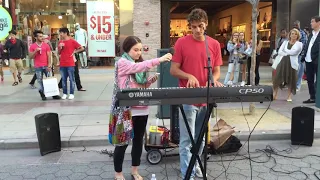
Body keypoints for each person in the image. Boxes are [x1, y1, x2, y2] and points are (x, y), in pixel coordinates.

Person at [170, 8, 223, 179]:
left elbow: (216, 71)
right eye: (193, 27)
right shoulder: (181, 43)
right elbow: (173, 70)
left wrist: (212, 80)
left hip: (205, 97)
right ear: (189, 27)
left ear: (206, 24)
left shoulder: (213, 44)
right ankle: (188, 174)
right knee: (187, 140)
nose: (197, 30)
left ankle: (196, 164)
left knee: (200, 138)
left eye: (200, 26)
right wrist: (188, 76)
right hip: (187, 98)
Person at [112, 36, 172, 180]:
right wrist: (159, 60)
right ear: (127, 49)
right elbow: (137, 67)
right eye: (135, 50)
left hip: (141, 108)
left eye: (140, 49)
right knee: (122, 141)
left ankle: (134, 170)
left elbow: (141, 86)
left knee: (138, 140)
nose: (138, 53)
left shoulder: (137, 64)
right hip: (126, 110)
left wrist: (150, 81)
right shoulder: (123, 62)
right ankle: (118, 173)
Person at [29, 30, 61, 100]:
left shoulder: (46, 45)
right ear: (35, 37)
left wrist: (49, 65)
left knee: (50, 79)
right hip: (38, 66)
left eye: (42, 36)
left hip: (46, 65)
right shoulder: (32, 46)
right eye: (40, 36)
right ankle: (42, 93)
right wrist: (35, 51)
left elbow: (49, 55)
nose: (42, 38)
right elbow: (31, 57)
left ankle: (54, 94)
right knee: (40, 81)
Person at [272, 28, 303, 101]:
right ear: (290, 35)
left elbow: (294, 53)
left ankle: (289, 96)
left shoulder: (299, 44)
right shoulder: (285, 42)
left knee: (291, 79)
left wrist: (285, 51)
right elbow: (279, 51)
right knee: (277, 78)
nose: (293, 35)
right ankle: (275, 94)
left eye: (295, 34)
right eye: (292, 33)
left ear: (298, 36)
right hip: (282, 62)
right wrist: (287, 52)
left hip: (292, 64)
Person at [58, 27, 84, 100]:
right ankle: (65, 93)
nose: (60, 35)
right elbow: (59, 53)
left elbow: (81, 48)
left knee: (71, 79)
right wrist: (60, 48)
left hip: (70, 63)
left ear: (65, 33)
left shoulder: (72, 41)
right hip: (62, 63)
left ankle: (71, 93)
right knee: (63, 79)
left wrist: (74, 52)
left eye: (61, 33)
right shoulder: (60, 42)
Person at [302, 16, 320, 104]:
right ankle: (312, 97)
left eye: (312, 21)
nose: (311, 23)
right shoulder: (311, 34)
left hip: (317, 60)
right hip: (308, 60)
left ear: (318, 22)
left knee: (318, 79)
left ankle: (317, 97)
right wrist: (304, 56)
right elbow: (307, 46)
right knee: (309, 79)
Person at [293, 20, 308, 91]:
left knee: (300, 71)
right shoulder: (292, 32)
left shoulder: (302, 33)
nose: (295, 26)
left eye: (297, 25)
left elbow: (304, 44)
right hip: (293, 54)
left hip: (300, 55)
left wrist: (301, 53)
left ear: (299, 25)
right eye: (294, 25)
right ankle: (293, 84)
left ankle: (298, 85)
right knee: (294, 70)